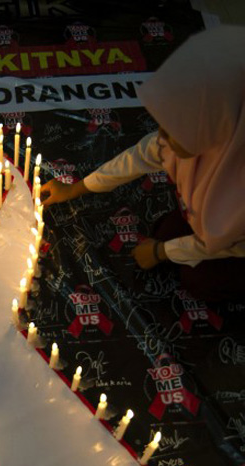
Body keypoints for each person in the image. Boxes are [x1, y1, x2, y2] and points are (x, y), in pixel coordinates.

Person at [41, 25, 245, 301]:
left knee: (196, 280)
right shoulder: (199, 132)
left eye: (173, 130)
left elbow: (231, 244)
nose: (161, 137)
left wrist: (162, 252)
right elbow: (138, 158)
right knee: (166, 232)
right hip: (217, 221)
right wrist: (75, 189)